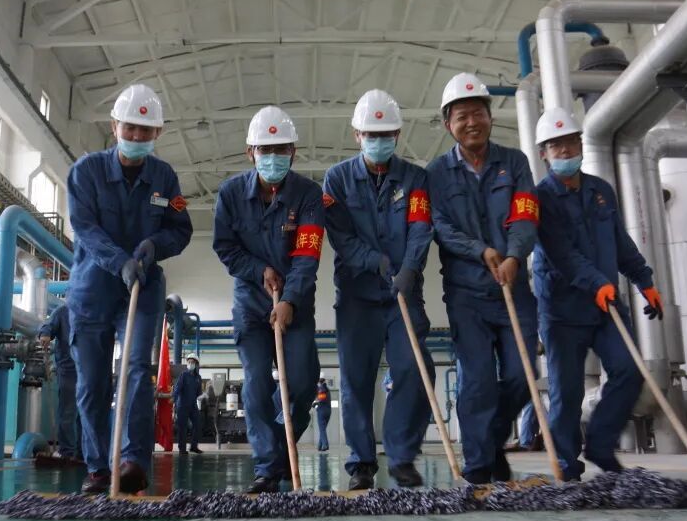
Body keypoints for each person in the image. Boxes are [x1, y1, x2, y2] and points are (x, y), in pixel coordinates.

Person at [66, 84, 193, 495]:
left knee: (137, 370)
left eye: (146, 130)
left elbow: (181, 228)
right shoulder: (85, 172)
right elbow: (84, 227)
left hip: (144, 286)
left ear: (158, 133)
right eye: (130, 128)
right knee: (92, 383)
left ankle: (133, 461)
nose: (137, 136)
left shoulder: (165, 178)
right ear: (114, 126)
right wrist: (118, 261)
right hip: (92, 290)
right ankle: (98, 468)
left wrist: (155, 245)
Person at [533, 107, 664, 481]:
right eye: (555, 145)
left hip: (605, 305)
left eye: (570, 142)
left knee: (629, 370)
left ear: (580, 144)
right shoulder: (540, 199)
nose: (564, 150)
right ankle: (566, 463)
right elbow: (562, 254)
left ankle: (601, 446)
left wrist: (644, 281)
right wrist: (596, 283)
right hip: (563, 309)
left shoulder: (601, 191)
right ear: (544, 153)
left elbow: (619, 241)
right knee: (567, 391)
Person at [426, 72, 540, 485]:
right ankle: (478, 468)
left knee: (522, 376)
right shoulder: (436, 173)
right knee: (477, 382)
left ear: (490, 117)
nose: (471, 122)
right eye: (462, 117)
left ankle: (491, 442)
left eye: (478, 113)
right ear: (448, 125)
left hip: (514, 288)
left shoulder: (515, 163)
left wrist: (513, 255)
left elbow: (526, 214)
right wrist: (481, 250)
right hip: (466, 294)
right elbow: (439, 226)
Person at [323, 89, 435, 489]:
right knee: (356, 379)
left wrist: (409, 268)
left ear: (397, 134)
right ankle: (361, 463)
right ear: (357, 134)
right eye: (371, 134)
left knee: (415, 368)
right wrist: (376, 261)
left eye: (385, 134)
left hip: (404, 292)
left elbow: (421, 227)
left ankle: (402, 456)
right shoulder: (337, 179)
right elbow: (341, 237)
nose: (378, 140)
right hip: (358, 297)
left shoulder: (416, 179)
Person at [212, 106, 323, 493]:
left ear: (293, 152)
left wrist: (289, 299)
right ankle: (267, 467)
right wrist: (259, 270)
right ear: (250, 152)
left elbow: (308, 254)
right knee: (257, 381)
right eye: (265, 149)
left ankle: (279, 443)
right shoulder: (230, 194)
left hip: (296, 303)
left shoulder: (309, 195)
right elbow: (225, 247)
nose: (273, 157)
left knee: (303, 383)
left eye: (281, 149)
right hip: (251, 303)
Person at [38, 302, 82, 460]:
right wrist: (45, 334)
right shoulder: (63, 311)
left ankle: (83, 452)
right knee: (68, 411)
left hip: (86, 369)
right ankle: (67, 451)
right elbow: (47, 326)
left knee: (85, 413)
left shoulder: (90, 309)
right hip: (68, 370)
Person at [173, 356, 204, 454]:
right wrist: (173, 398)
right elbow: (178, 388)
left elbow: (199, 393)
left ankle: (193, 446)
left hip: (193, 405)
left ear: (196, 364)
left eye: (192, 362)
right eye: (189, 362)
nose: (190, 364)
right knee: (182, 427)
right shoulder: (183, 375)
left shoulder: (198, 378)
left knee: (198, 424)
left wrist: (203, 396)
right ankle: (182, 449)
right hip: (182, 405)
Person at [314, 378, 332, 452]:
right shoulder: (328, 390)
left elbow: (320, 400)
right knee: (323, 429)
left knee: (322, 429)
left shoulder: (321, 389)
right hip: (328, 411)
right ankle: (320, 445)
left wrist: (315, 404)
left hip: (322, 411)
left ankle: (325, 445)